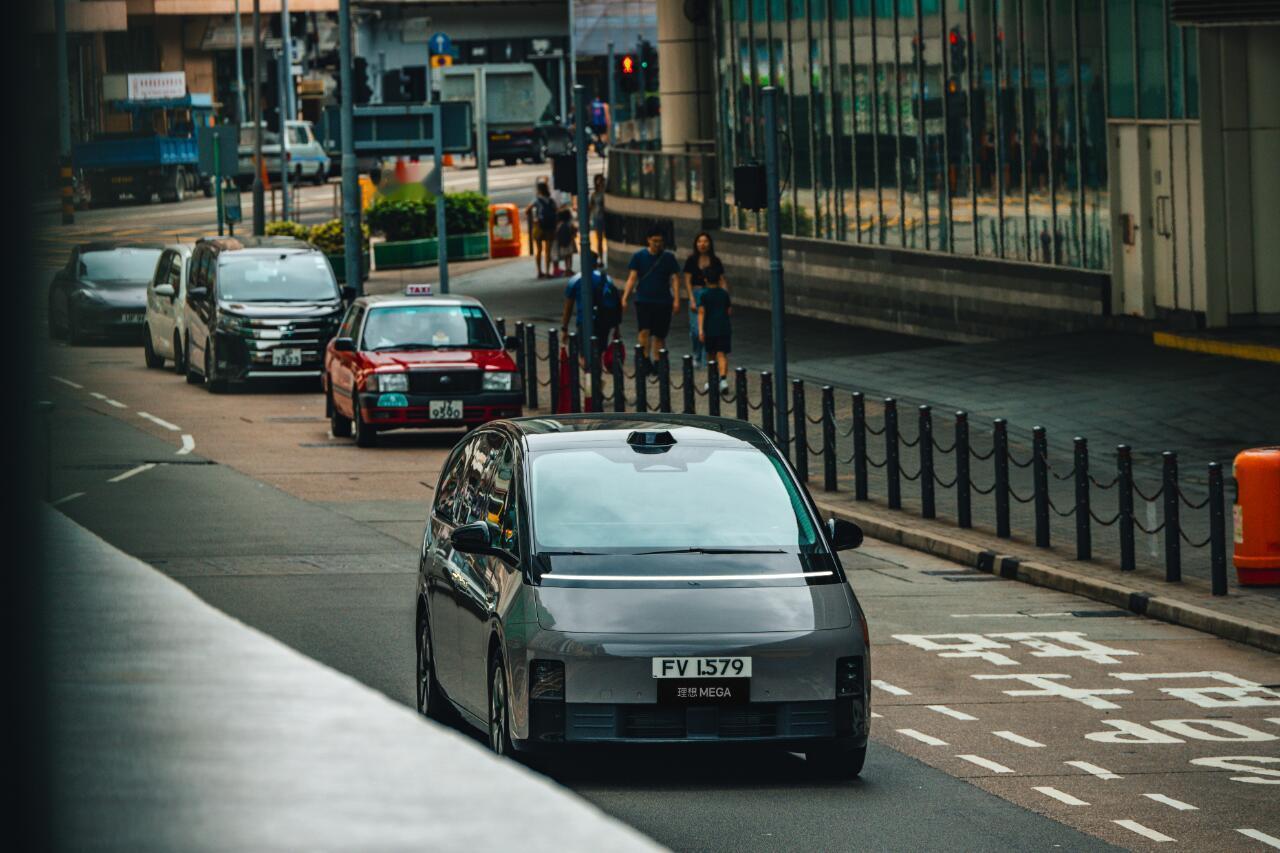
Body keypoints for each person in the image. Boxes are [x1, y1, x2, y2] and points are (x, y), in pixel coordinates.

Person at [621, 224, 681, 377]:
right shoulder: (639, 257)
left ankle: (658, 362)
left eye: (660, 241)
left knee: (660, 335)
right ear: (648, 240)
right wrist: (625, 297)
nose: (657, 244)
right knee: (644, 331)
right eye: (654, 241)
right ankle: (644, 360)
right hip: (644, 300)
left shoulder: (668, 258)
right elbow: (632, 278)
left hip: (663, 301)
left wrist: (676, 299)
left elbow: (674, 278)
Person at [682, 232, 727, 369]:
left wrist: (724, 297)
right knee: (696, 329)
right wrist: (691, 299)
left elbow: (722, 280)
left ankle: (707, 355)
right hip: (696, 293)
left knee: (709, 327)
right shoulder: (691, 260)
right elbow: (688, 281)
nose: (702, 244)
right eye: (700, 241)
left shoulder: (715, 261)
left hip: (712, 293)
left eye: (705, 241)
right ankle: (697, 353)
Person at [560, 267, 622, 354]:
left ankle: (588, 365)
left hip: (583, 321)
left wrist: (564, 328)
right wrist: (617, 327)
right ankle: (597, 366)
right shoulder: (606, 278)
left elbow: (568, 307)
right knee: (600, 353)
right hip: (603, 321)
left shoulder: (575, 279)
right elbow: (614, 304)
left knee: (583, 355)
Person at [697, 266, 732, 393]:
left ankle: (712, 379)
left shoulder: (703, 294)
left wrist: (700, 330)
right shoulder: (724, 294)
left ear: (705, 279)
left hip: (709, 329)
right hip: (724, 328)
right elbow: (729, 310)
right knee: (722, 354)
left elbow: (701, 312)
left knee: (710, 355)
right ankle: (723, 380)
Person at [525, 180, 557, 278]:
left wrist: (534, 218)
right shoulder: (551, 200)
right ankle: (548, 272)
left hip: (539, 227)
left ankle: (539, 271)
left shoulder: (537, 200)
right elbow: (556, 210)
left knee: (538, 250)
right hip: (550, 227)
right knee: (548, 250)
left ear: (539, 190)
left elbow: (527, 210)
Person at [554, 207, 577, 276]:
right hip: (570, 242)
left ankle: (567, 270)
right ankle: (569, 269)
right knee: (569, 256)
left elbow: (556, 234)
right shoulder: (569, 224)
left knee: (565, 257)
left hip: (562, 244)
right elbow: (574, 230)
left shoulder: (559, 225)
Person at [589, 174, 607, 257]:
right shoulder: (594, 194)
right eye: (598, 181)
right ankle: (601, 258)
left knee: (606, 238)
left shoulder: (606, 192)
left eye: (601, 181)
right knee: (599, 239)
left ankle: (602, 257)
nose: (600, 183)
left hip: (606, 218)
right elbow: (591, 207)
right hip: (597, 218)